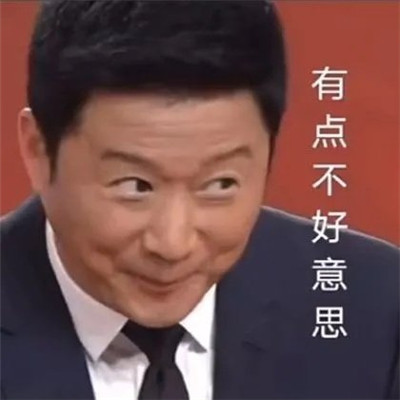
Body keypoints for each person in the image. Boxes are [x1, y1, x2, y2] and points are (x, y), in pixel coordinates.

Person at [1, 1, 398, 399]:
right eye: (135, 186)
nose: (173, 245)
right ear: (38, 150)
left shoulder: (377, 309)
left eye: (220, 184)